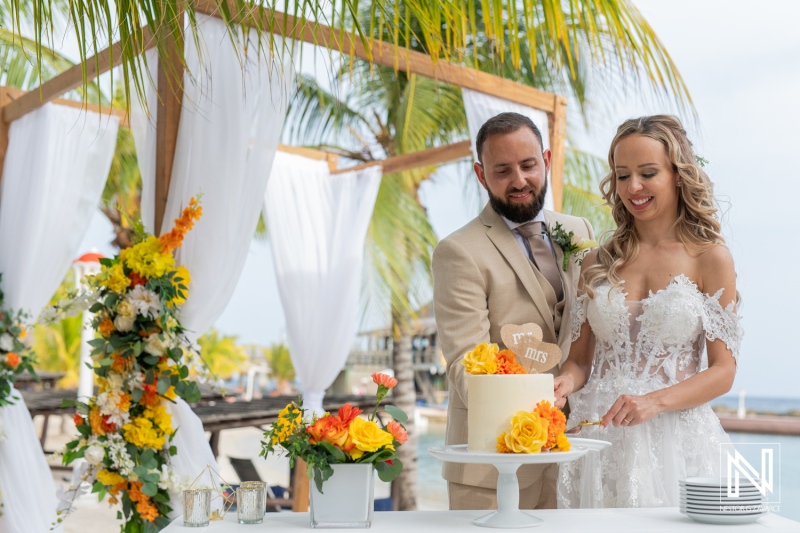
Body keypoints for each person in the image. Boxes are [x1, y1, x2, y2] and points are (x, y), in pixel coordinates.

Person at [554, 115, 742, 508]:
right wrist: (563, 385)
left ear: (678, 174)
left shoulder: (710, 259)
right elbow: (578, 361)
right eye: (622, 175)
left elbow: (723, 371)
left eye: (647, 173)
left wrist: (654, 401)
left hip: (674, 441)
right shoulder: (596, 262)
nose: (633, 187)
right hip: (597, 439)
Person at [433, 112, 594, 510]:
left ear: (547, 160)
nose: (519, 180)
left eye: (528, 165)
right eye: (502, 170)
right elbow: (465, 367)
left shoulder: (579, 231)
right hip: (493, 465)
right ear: (481, 174)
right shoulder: (459, 251)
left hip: (575, 457)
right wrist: (537, 418)